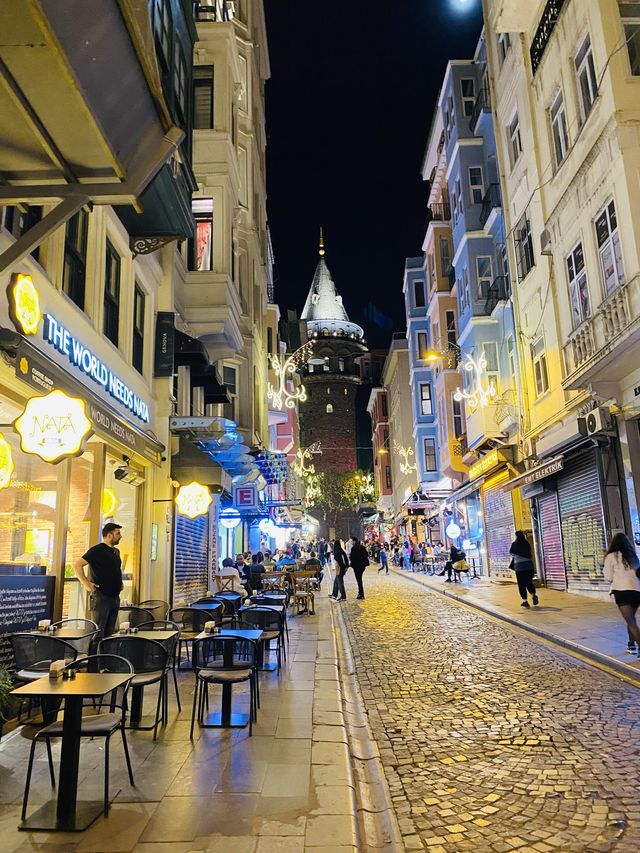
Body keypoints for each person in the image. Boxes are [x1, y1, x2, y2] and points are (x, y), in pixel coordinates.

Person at [74, 522, 123, 639]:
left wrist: (120, 583)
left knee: (109, 633)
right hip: (101, 596)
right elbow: (78, 565)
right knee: (98, 633)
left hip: (115, 597)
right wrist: (86, 582)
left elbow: (115, 570)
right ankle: (93, 657)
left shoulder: (116, 552)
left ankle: (105, 656)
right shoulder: (97, 550)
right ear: (109, 535)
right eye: (118, 533)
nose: (120, 536)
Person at [603, 532, 640, 655]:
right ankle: (631, 645)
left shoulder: (611, 557)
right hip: (636, 591)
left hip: (622, 592)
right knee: (631, 620)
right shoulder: (633, 556)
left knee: (631, 621)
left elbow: (608, 577)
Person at [509, 530, 538, 607]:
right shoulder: (526, 543)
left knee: (521, 584)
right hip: (529, 566)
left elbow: (511, 553)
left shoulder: (514, 544)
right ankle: (533, 594)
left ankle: (525, 601)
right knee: (529, 582)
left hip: (519, 567)